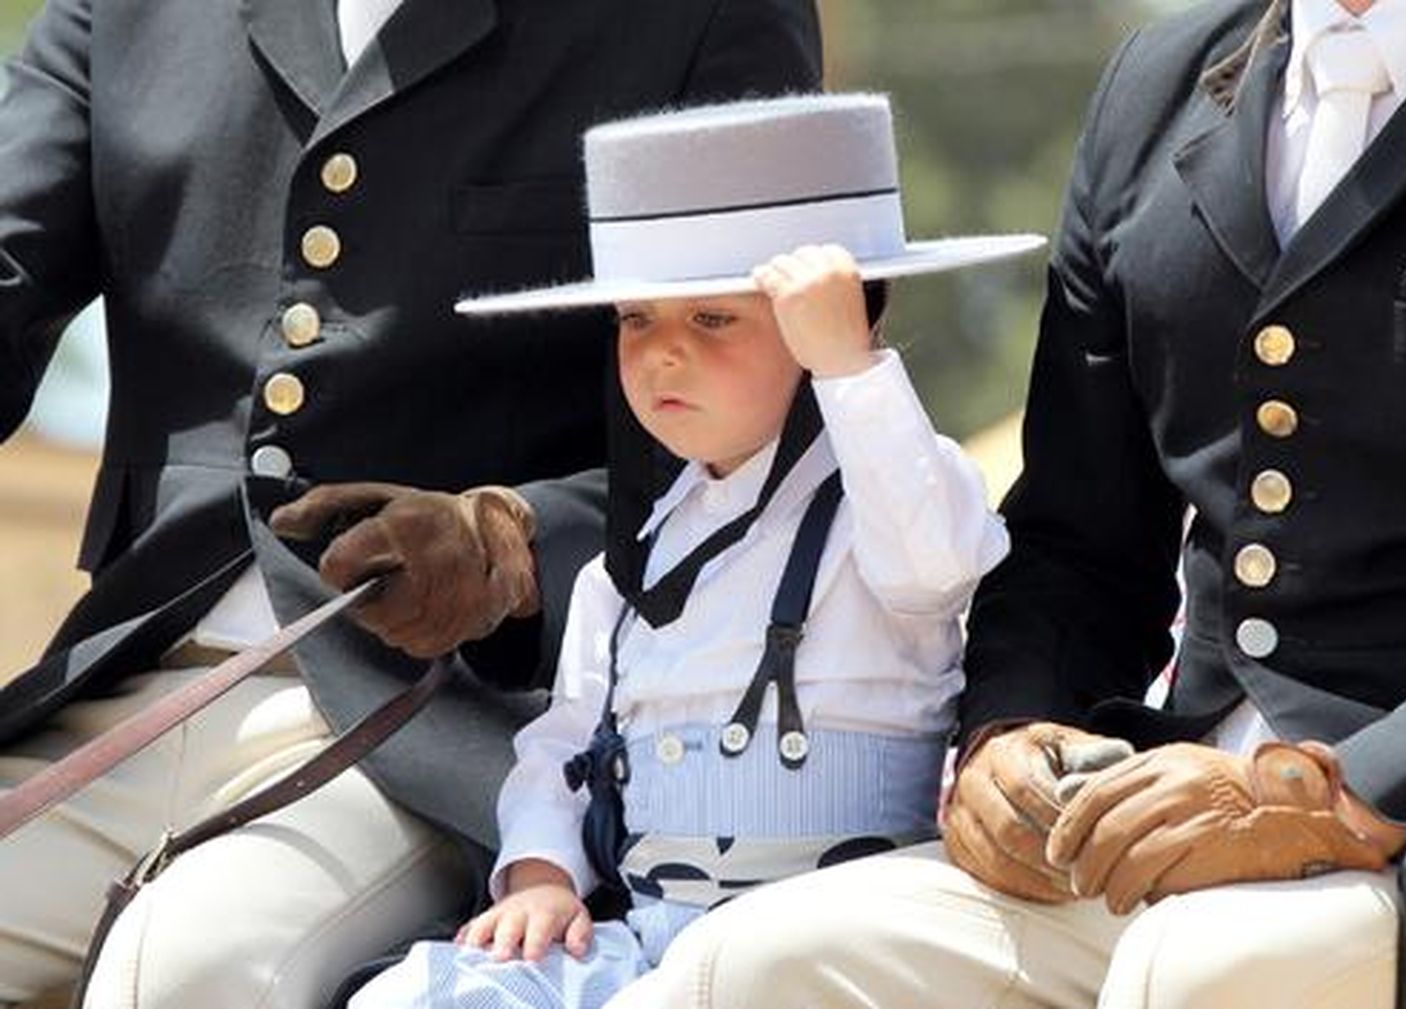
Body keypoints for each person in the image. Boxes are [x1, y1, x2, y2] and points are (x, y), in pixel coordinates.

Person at [613, 1, 1406, 1008]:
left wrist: (1330, 794)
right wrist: (1009, 730)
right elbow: (1075, 544)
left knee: (1199, 975)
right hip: (1159, 814)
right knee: (745, 966)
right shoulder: (1155, 84)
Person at [0, 2, 820, 1007]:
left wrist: (511, 539)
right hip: (132, 677)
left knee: (190, 969)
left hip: (449, 727)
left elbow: (765, 421)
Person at [343, 93, 1038, 1009]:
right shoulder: (627, 560)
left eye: (713, 319)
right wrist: (541, 873)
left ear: (836, 320)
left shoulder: (896, 485)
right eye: (637, 320)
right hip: (656, 931)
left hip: (841, 943)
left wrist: (849, 368)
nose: (663, 355)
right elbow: (564, 748)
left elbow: (936, 564)